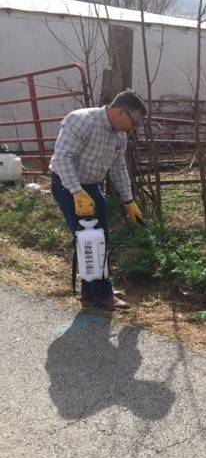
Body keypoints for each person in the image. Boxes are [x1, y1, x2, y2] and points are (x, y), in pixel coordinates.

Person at [49, 89, 147, 310]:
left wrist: (129, 201)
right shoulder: (81, 121)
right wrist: (76, 192)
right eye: (134, 123)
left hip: (92, 186)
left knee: (99, 238)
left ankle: (90, 291)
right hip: (66, 184)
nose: (133, 129)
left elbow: (119, 169)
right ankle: (103, 295)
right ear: (121, 113)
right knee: (89, 239)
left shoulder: (119, 136)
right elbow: (63, 159)